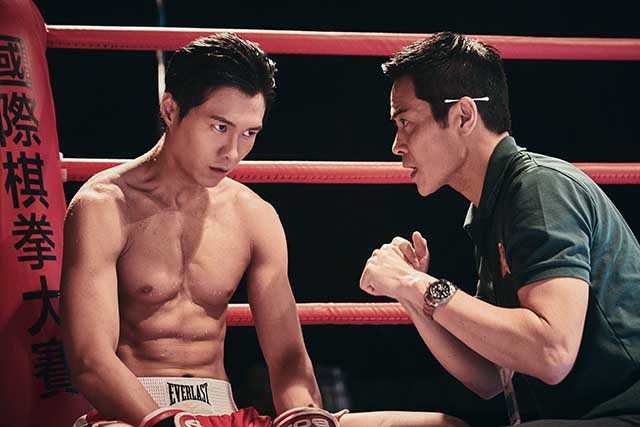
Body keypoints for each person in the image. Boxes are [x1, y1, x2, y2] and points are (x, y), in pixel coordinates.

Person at [61, 32, 466, 427]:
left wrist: (305, 415)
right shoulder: (104, 205)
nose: (232, 152)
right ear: (170, 109)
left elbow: (288, 359)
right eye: (219, 127)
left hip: (225, 413)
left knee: (442, 425)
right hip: (133, 415)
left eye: (249, 133)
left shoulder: (253, 215)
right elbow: (90, 360)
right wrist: (163, 421)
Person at [359, 31, 640, 426]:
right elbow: (489, 377)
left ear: (463, 115)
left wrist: (415, 284)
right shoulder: (492, 208)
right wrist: (412, 296)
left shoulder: (539, 189)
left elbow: (552, 352)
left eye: (406, 122)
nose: (396, 145)